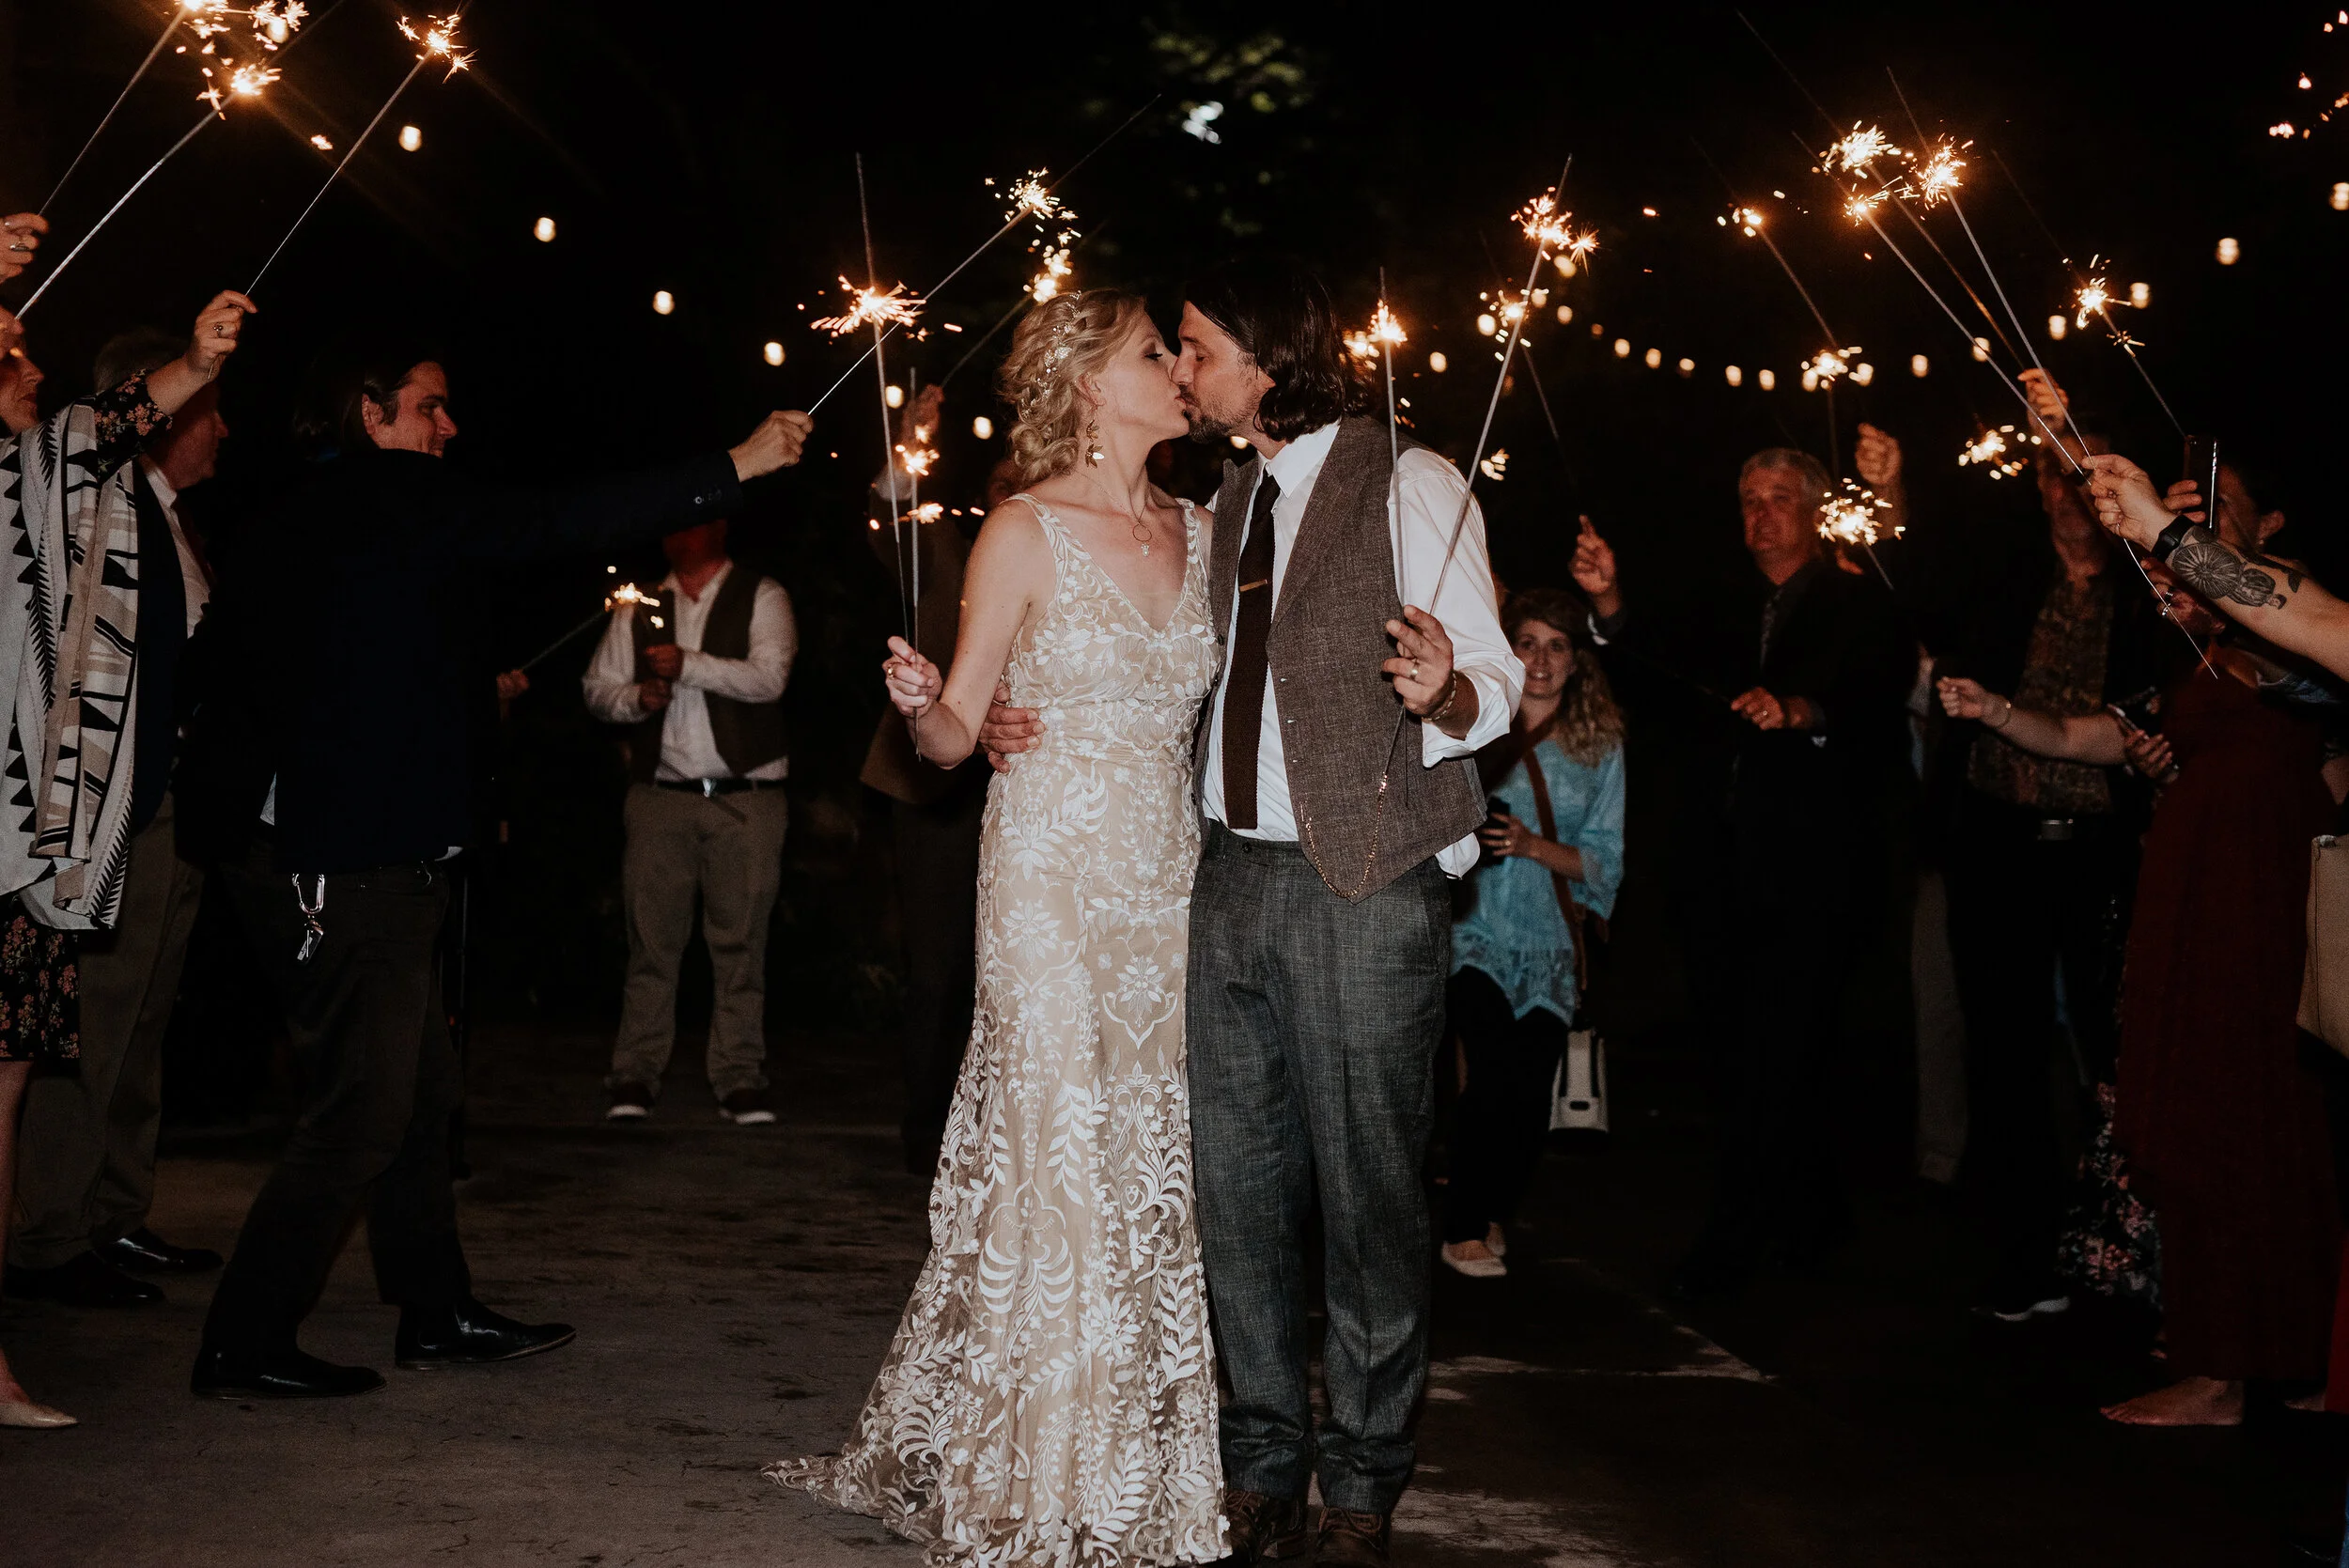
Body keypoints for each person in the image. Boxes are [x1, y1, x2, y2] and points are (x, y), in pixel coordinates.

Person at [972, 262, 1522, 1565]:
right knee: (1240, 1198)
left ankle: (1362, 1485)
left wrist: (1448, 687)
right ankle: (1261, 1467)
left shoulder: (1413, 480)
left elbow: (1497, 682)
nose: (1186, 368)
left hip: (1362, 891)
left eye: (1202, 348)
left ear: (1267, 361)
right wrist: (1013, 718)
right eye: (1174, 352)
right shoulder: (1222, 501)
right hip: (1218, 885)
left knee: (1374, 1200)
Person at [175, 337, 811, 1400]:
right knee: (361, 1110)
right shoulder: (374, 497)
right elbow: (548, 520)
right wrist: (731, 464)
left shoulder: (321, 517)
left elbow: (335, 665)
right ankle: (242, 1339)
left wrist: (459, 701)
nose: (448, 427)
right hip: (343, 859)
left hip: (366, 845)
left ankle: (434, 1310)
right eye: (431, 407)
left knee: (422, 1095)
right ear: (369, 413)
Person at [769, 288, 1225, 1565]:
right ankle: (1033, 1469)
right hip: (1047, 876)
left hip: (1166, 882)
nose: (1180, 369)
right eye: (1155, 353)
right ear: (1089, 379)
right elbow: (960, 732)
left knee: (1147, 1155)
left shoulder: (1202, 525)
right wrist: (923, 703)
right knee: (1060, 1145)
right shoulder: (1020, 532)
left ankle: (1135, 1458)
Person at [1938, 453, 2340, 1427]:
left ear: (2270, 522)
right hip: (2197, 890)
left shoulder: (2278, 623)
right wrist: (1992, 709)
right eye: (2186, 506)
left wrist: (2165, 531)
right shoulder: (2181, 641)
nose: (2196, 518)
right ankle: (2224, 1347)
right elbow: (2096, 738)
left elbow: (2313, 684)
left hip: (2269, 895)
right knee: (2195, 1104)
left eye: (2218, 507)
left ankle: (2258, 1356)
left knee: (2266, 1112)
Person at [0, 230, 247, 1428]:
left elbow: (88, 426)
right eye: (7, 349)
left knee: (14, 1075)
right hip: (26, 813)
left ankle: (16, 1316)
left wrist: (198, 360)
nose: (29, 363)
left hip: (32, 827)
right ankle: (41, 1255)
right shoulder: (37, 477)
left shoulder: (40, 471)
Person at [1574, 449, 1911, 1297]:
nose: (1762, 515)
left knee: (1785, 1047)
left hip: (1814, 870)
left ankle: (1737, 1237)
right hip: (1720, 868)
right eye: (1749, 500)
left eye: (1779, 500)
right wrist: (1609, 600)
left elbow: (1878, 699)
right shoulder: (1721, 602)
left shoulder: (1857, 600)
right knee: (1738, 1047)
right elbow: (1654, 674)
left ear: (1812, 508)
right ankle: (1813, 1213)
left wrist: (1802, 711)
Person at [1922, 370, 2183, 1321]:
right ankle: (2022, 1251)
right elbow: (1936, 563)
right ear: (2035, 486)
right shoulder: (2000, 573)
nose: (2072, 494)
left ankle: (2126, 1248)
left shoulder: (2153, 593)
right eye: (2053, 473)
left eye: (2087, 476)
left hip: (2106, 847)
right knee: (2003, 1050)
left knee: (2111, 1053)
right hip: (1999, 840)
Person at [583, 514, 797, 1126]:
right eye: (669, 523)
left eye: (691, 520)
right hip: (661, 797)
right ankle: (635, 1072)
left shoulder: (764, 595)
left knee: (740, 945)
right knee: (651, 942)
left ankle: (739, 1076)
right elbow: (597, 687)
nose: (678, 534)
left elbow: (770, 677)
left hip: (747, 797)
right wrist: (636, 699)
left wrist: (688, 666)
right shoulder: (643, 604)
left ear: (722, 526)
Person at [1441, 586, 1625, 1280]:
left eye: (1557, 644)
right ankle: (1461, 1227)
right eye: (1527, 641)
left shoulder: (1600, 747)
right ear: (1506, 648)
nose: (1541, 659)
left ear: (1578, 661)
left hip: (1549, 943)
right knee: (1486, 1082)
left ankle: (1490, 1210)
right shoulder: (1471, 723)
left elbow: (1607, 859)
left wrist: (1530, 843)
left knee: (1526, 1098)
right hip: (1474, 931)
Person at [854, 384, 1006, 1172]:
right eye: (1003, 487)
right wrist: (905, 446)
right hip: (942, 791)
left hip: (1038, 787)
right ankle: (926, 1132)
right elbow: (889, 526)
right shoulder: (950, 554)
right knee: (939, 964)